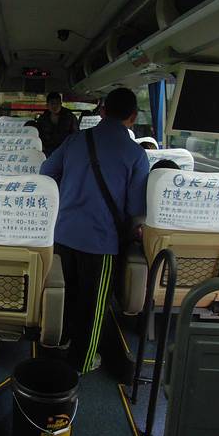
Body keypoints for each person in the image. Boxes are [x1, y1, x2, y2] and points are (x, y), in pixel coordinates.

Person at [40, 87, 149, 374]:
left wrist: (71, 189)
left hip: (62, 234)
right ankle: (84, 360)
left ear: (102, 111)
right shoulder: (136, 154)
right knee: (92, 306)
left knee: (66, 295)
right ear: (133, 116)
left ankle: (60, 343)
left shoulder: (76, 140)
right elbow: (135, 208)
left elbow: (46, 172)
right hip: (101, 241)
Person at [36, 92, 79, 156]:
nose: (55, 106)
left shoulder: (69, 117)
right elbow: (38, 135)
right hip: (48, 150)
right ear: (47, 105)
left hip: (66, 149)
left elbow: (76, 134)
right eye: (52, 103)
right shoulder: (42, 119)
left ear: (61, 104)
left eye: (57, 103)